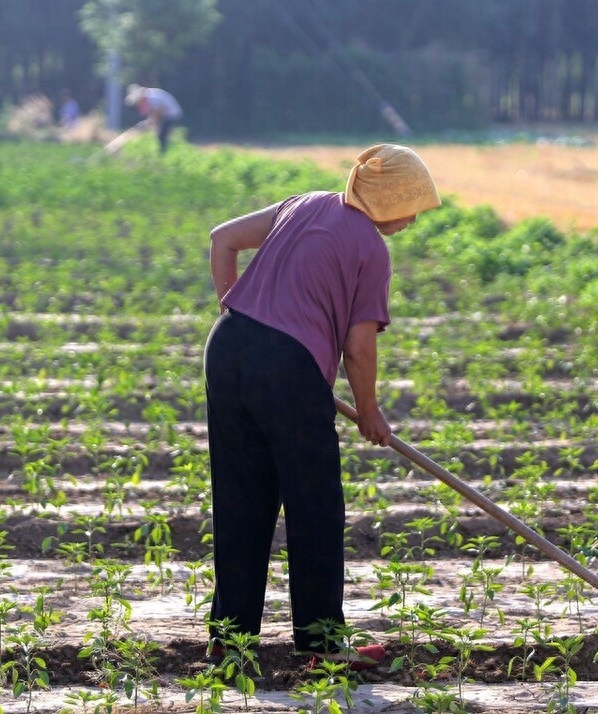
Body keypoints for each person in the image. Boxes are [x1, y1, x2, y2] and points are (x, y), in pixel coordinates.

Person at [204, 144, 441, 667]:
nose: (416, 216)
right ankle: (323, 645)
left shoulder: (305, 203)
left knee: (242, 499)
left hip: (227, 348)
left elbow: (223, 240)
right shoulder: (372, 250)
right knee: (314, 506)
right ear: (391, 200)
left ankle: (229, 641)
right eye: (414, 205)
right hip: (287, 367)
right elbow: (358, 348)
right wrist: (370, 411)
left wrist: (236, 307)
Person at [125, 83, 182, 154]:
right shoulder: (148, 97)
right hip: (164, 115)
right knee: (158, 136)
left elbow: (159, 111)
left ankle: (164, 153)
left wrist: (149, 122)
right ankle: (162, 152)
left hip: (170, 115)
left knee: (162, 137)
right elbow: (153, 113)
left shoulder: (152, 97)